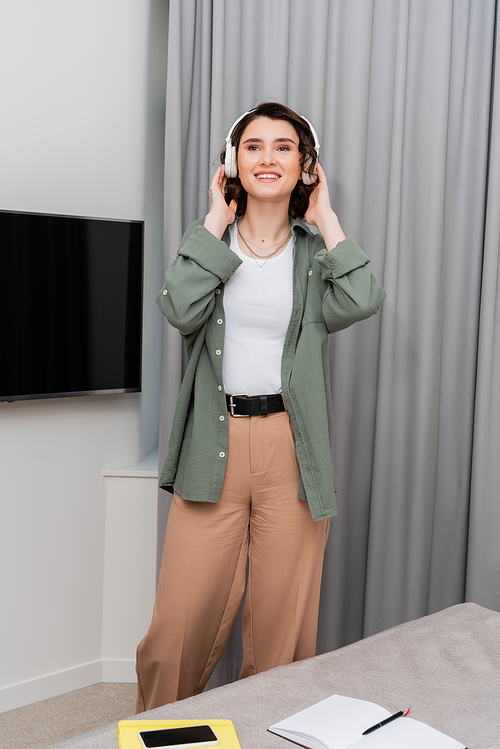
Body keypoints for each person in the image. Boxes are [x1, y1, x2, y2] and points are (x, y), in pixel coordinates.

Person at [135, 102, 386, 712]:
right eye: (252, 146)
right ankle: (150, 733)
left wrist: (325, 217)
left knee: (282, 631)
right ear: (232, 162)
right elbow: (179, 309)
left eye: (283, 147)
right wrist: (215, 222)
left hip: (291, 451)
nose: (267, 158)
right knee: (178, 628)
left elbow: (362, 299)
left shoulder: (312, 255)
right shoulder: (212, 244)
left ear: (306, 166)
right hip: (212, 447)